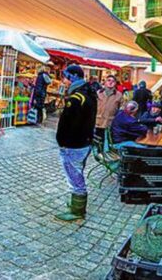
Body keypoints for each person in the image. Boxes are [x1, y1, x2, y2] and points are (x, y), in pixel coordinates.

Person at [54, 64, 97, 222]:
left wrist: (63, 141)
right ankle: (75, 204)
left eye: (65, 76)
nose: (63, 80)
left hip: (74, 144)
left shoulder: (77, 97)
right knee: (76, 173)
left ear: (73, 76)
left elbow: (71, 124)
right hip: (84, 142)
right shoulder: (88, 93)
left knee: (75, 177)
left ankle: (77, 210)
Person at [94, 74, 123, 142]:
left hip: (110, 123)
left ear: (115, 83)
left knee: (109, 143)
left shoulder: (119, 95)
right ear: (105, 82)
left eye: (113, 81)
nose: (110, 82)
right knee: (97, 142)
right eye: (109, 80)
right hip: (98, 122)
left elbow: (122, 108)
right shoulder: (98, 93)